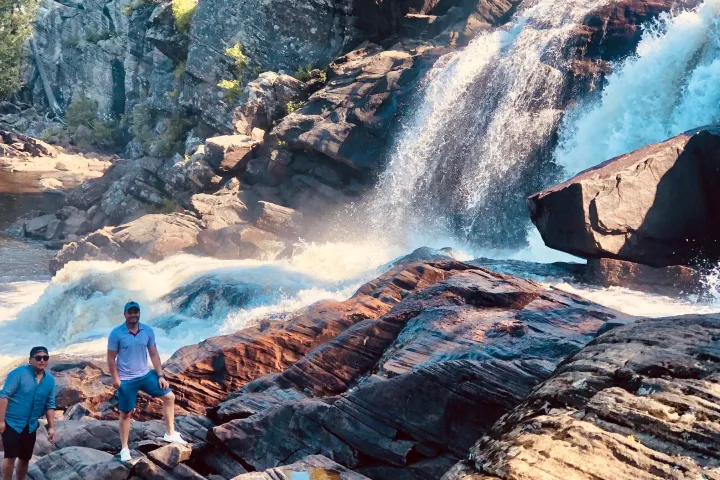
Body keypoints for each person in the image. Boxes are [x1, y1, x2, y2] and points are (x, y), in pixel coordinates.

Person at [108, 301, 186, 462]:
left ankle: (170, 433)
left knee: (169, 397)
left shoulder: (147, 331)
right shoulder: (116, 333)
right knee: (126, 413)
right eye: (130, 312)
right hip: (127, 380)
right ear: (125, 314)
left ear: (139, 313)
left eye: (136, 312)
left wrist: (160, 375)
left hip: (145, 375)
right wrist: (116, 380)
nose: (133, 315)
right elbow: (110, 358)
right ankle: (124, 449)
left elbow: (154, 354)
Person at [0, 347, 56, 480]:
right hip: (12, 422)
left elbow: (50, 404)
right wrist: (1, 421)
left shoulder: (50, 380)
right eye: (38, 357)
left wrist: (52, 427)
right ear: (30, 360)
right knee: (10, 457)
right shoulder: (18, 374)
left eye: (45, 358)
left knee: (25, 458)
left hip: (31, 425)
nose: (42, 360)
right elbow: (3, 396)